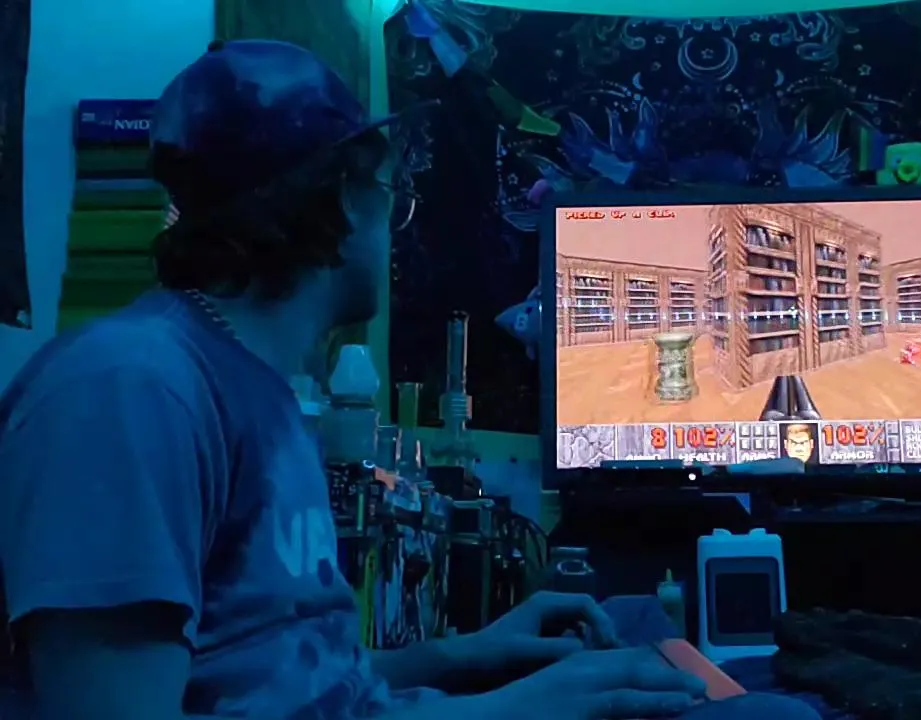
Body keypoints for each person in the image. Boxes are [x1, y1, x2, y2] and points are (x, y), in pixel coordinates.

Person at [0, 40, 820, 720]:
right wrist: (519, 710)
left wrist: (466, 656)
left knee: (725, 684)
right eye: (386, 192)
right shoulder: (127, 391)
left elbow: (289, 681)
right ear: (340, 199)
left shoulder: (259, 390)